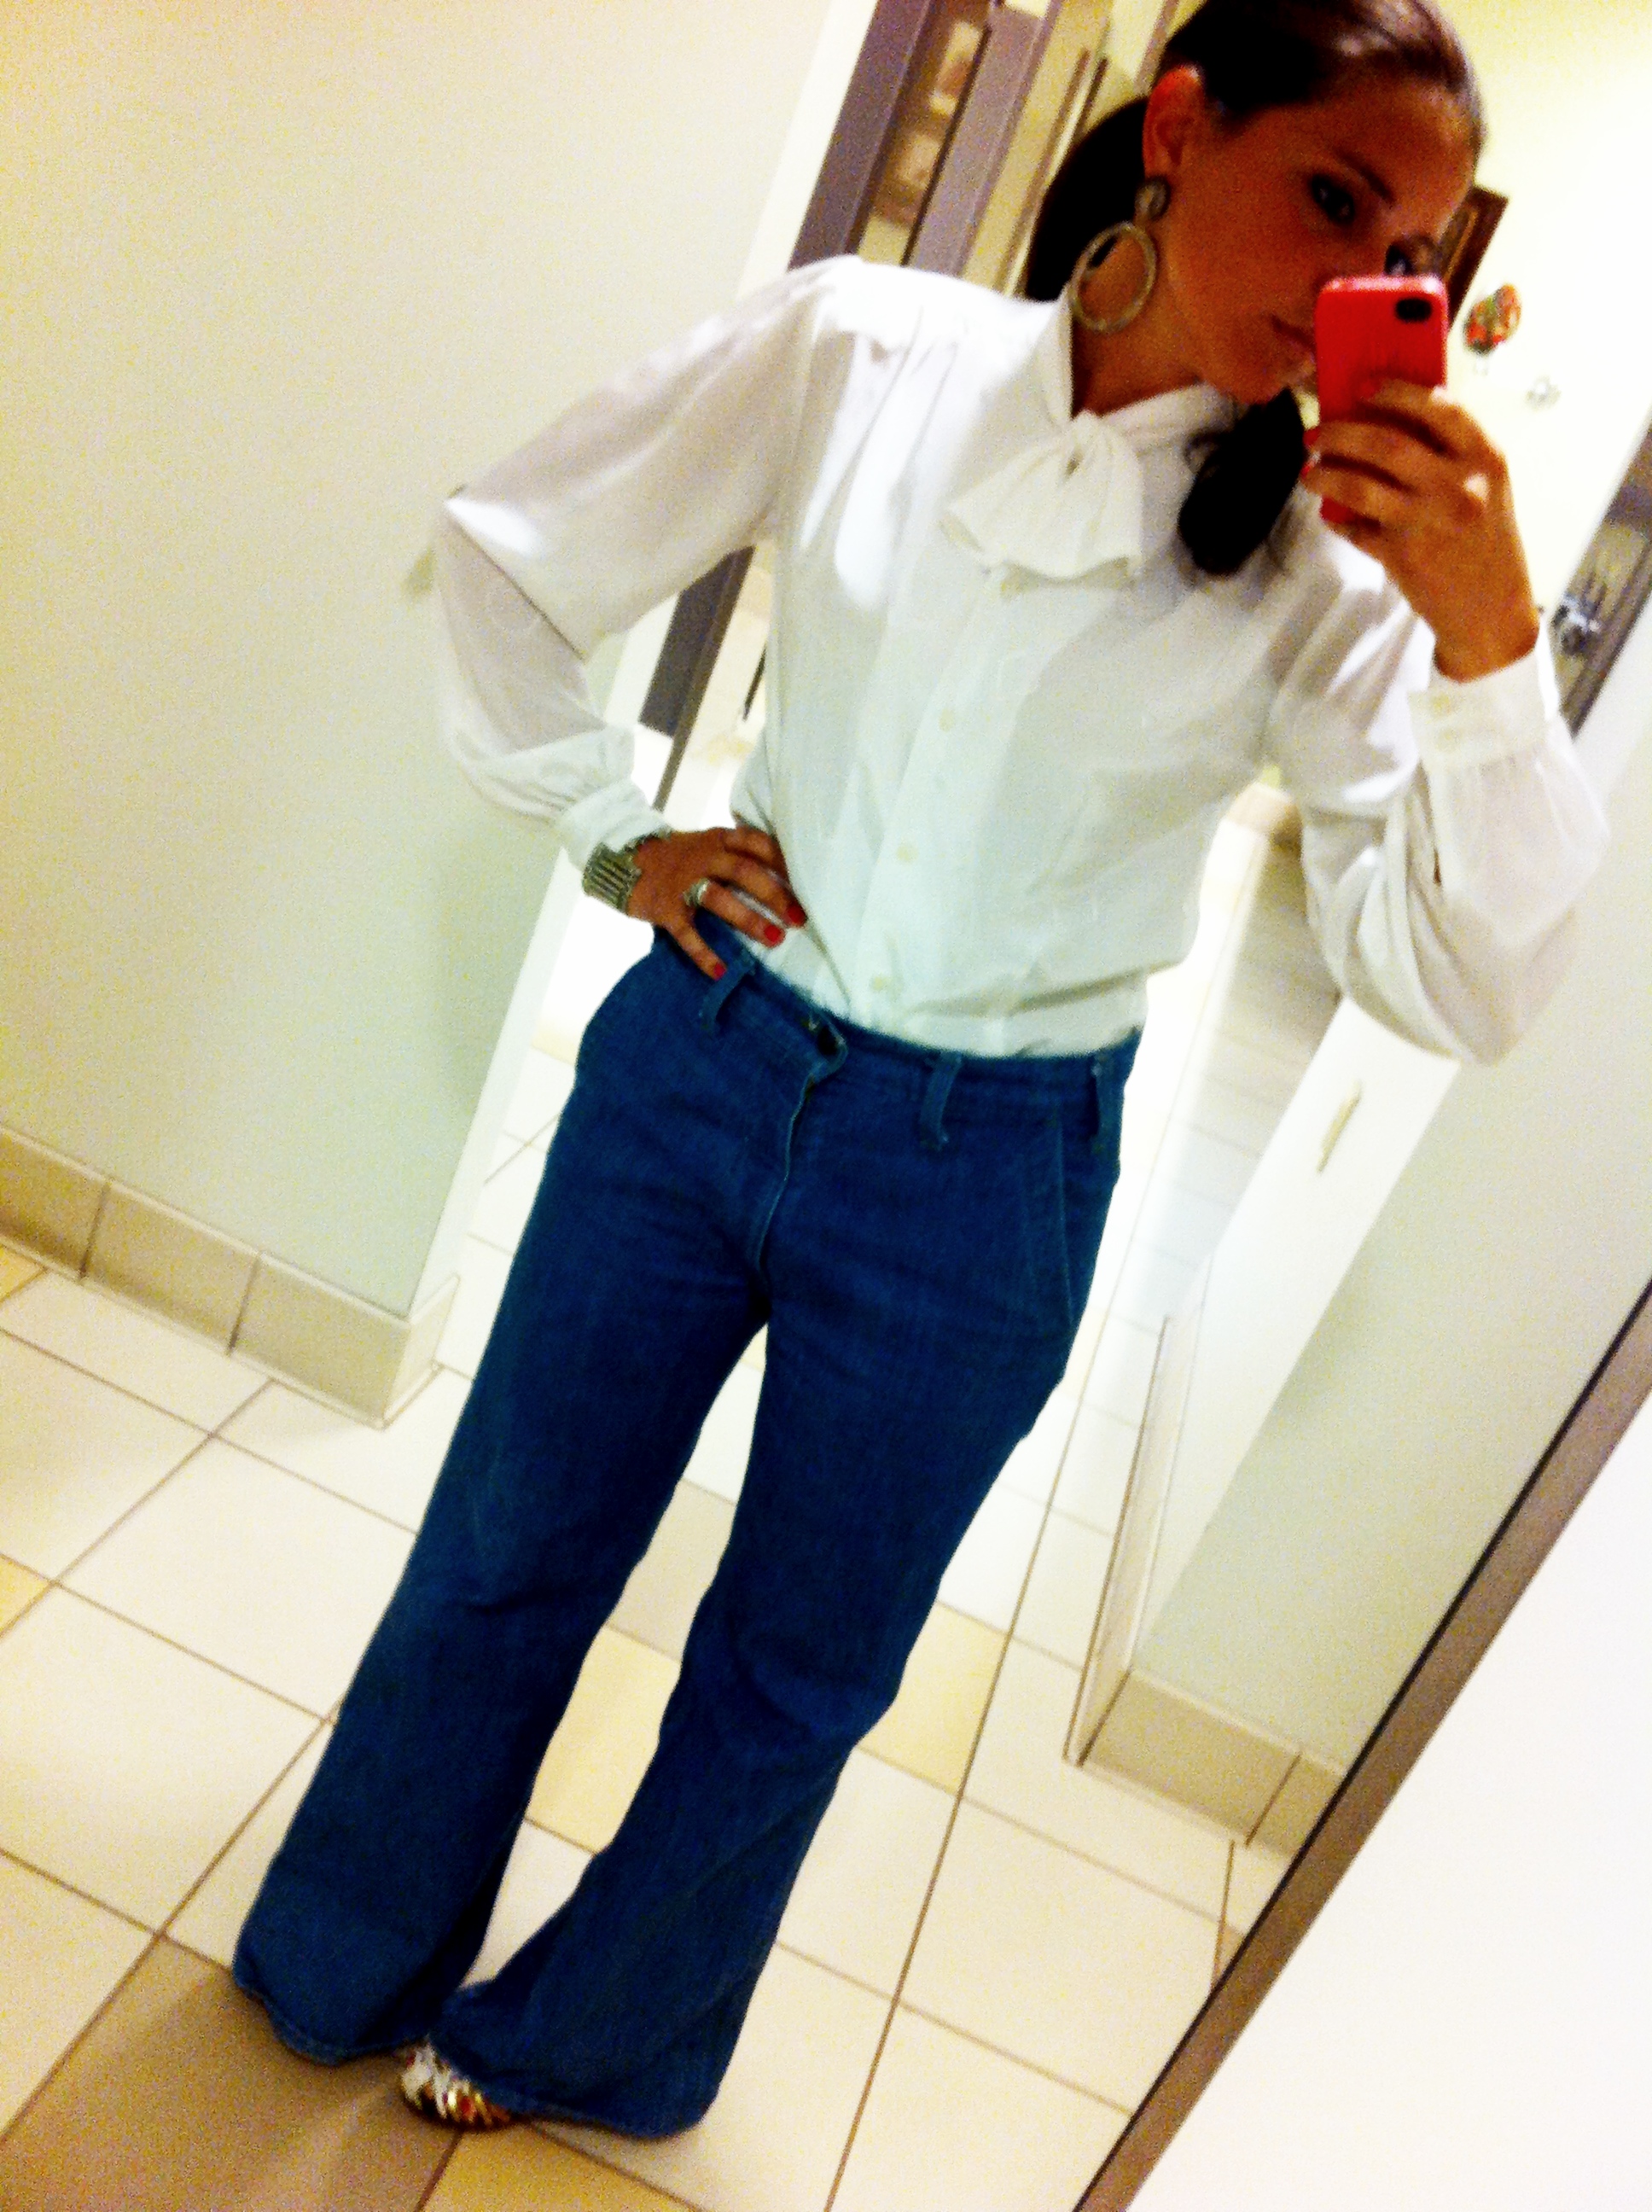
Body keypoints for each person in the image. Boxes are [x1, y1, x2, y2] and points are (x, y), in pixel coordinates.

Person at [234, 0, 1607, 2136]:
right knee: (506, 1542)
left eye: (1403, 254)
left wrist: (1485, 649)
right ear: (1177, 127)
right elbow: (512, 549)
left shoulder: (1336, 571)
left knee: (797, 1666)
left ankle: (590, 2038)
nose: (1357, 278)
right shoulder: (859, 350)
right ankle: (342, 1953)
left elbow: (1458, 980)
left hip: (986, 1176)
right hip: (699, 1065)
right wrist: (611, 823)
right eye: (1330, 199)